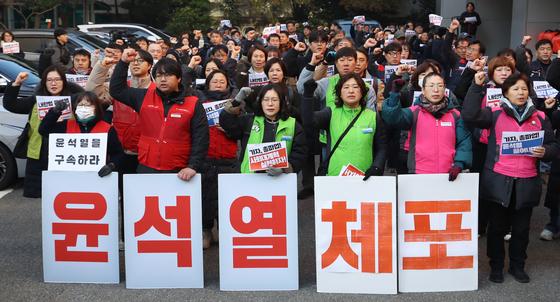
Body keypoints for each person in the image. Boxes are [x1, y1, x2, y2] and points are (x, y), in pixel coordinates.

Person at [463, 72, 560, 283]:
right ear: (505, 92)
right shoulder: (495, 113)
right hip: (498, 180)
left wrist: (545, 151)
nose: (521, 93)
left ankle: (518, 266)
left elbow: (554, 145)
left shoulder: (540, 117)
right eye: (515, 89)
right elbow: (469, 116)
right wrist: (475, 86)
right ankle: (496, 266)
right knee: (497, 228)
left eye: (524, 89)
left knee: (521, 230)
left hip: (526, 181)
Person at [110, 49, 209, 180]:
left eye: (168, 75)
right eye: (158, 75)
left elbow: (201, 138)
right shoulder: (143, 97)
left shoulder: (193, 103)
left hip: (180, 170)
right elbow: (117, 90)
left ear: (179, 78)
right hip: (146, 166)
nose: (162, 79)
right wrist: (123, 63)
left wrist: (192, 166)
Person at [2, 65, 84, 197]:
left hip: (66, 154)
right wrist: (16, 84)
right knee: (41, 197)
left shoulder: (75, 100)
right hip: (39, 155)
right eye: (49, 80)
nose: (53, 83)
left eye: (57, 79)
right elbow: (11, 105)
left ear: (64, 81)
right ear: (44, 83)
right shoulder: (36, 100)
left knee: (66, 195)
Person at [382, 72, 472, 176]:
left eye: (440, 85)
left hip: (448, 174)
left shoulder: (455, 115)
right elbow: (392, 118)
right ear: (423, 90)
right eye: (431, 85)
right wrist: (394, 94)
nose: (436, 90)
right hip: (418, 172)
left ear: (445, 89)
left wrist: (459, 164)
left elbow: (464, 141)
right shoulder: (414, 113)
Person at [302, 73, 387, 178]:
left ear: (362, 92)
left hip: (365, 179)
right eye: (346, 87)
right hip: (335, 177)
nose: (351, 91)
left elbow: (382, 147)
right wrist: (308, 96)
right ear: (340, 93)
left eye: (355, 87)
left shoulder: (373, 117)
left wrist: (376, 167)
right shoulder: (331, 112)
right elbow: (308, 122)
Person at [219, 84, 307, 175]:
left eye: (274, 100)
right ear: (260, 102)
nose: (270, 104)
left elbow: (300, 153)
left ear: (281, 102)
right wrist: (236, 101)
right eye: (266, 100)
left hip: (280, 182)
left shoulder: (292, 125)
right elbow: (227, 123)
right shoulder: (250, 121)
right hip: (249, 180)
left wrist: (285, 168)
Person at [38, 91, 124, 177]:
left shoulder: (107, 129)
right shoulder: (66, 125)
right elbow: (44, 130)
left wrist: (111, 165)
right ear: (75, 109)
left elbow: (118, 153)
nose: (83, 108)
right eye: (80, 105)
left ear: (96, 108)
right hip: (68, 176)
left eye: (88, 105)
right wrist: (54, 112)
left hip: (98, 177)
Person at [200, 70, 239, 248]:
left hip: (228, 156)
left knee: (226, 198)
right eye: (214, 81)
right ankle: (206, 230)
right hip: (206, 156)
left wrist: (230, 129)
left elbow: (243, 129)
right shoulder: (199, 103)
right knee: (205, 198)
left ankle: (225, 230)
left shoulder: (236, 104)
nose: (218, 84)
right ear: (207, 84)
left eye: (221, 81)